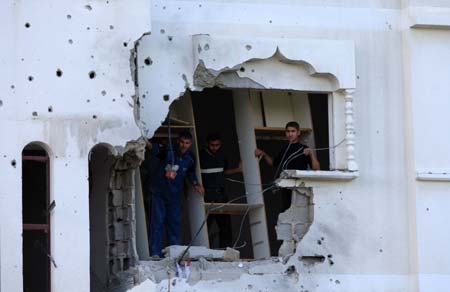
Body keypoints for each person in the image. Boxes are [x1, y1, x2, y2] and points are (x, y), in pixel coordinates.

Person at [147, 131, 204, 257]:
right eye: (182, 142)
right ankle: (155, 254)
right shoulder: (168, 151)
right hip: (159, 194)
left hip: (175, 197)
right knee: (157, 224)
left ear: (191, 144)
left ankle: (175, 255)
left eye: (187, 143)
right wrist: (145, 141)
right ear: (178, 141)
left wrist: (195, 184)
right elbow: (154, 149)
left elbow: (190, 173)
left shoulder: (190, 158)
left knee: (174, 226)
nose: (184, 145)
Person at [255, 121, 320, 211]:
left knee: (300, 210)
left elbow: (316, 168)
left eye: (293, 131)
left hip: (299, 185)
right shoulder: (284, 149)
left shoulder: (303, 148)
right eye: (288, 131)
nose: (290, 134)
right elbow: (274, 163)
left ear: (298, 133)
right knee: (287, 209)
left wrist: (311, 153)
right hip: (286, 185)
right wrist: (264, 154)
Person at [199, 133, 241, 248]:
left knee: (225, 226)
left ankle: (225, 251)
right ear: (207, 144)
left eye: (217, 145)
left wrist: (237, 170)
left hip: (221, 194)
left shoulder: (222, 155)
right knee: (204, 226)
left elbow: (224, 172)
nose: (214, 147)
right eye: (212, 145)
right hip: (206, 194)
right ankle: (202, 251)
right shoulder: (201, 155)